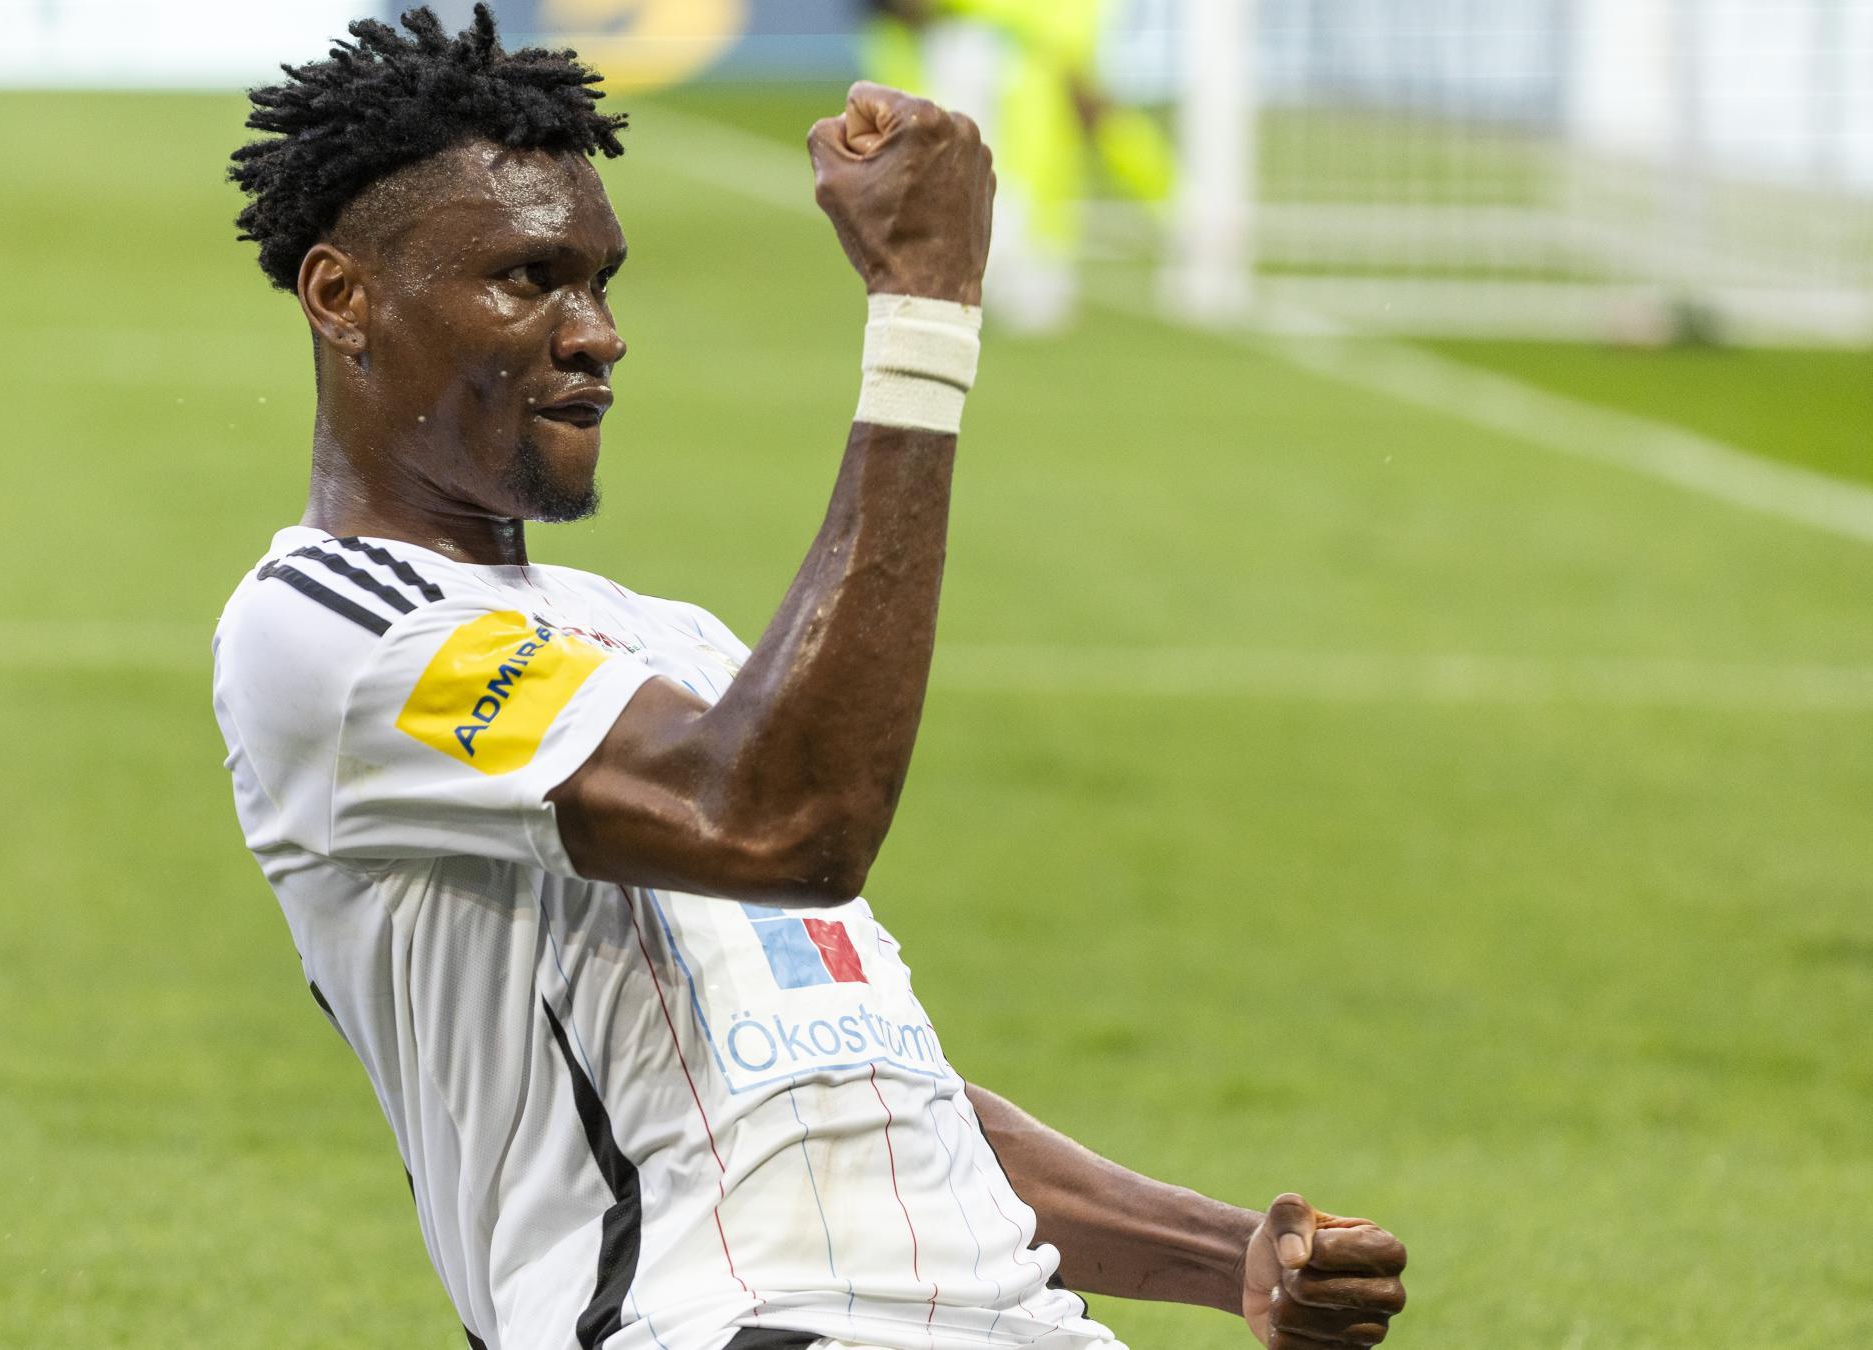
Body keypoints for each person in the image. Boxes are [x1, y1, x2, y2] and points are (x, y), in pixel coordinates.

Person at [212, 6, 1407, 1349]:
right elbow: (786, 822)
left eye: (601, 282)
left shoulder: (674, 641)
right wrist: (921, 316)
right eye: (527, 278)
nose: (596, 333)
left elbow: (861, 1076)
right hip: (730, 1319)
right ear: (342, 297)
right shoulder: (332, 629)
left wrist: (1222, 1251)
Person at [862, 0, 1176, 333]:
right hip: (1003, 37)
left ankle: (1039, 248)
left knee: (1072, 111)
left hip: (1042, 29)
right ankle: (1013, 251)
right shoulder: (907, 40)